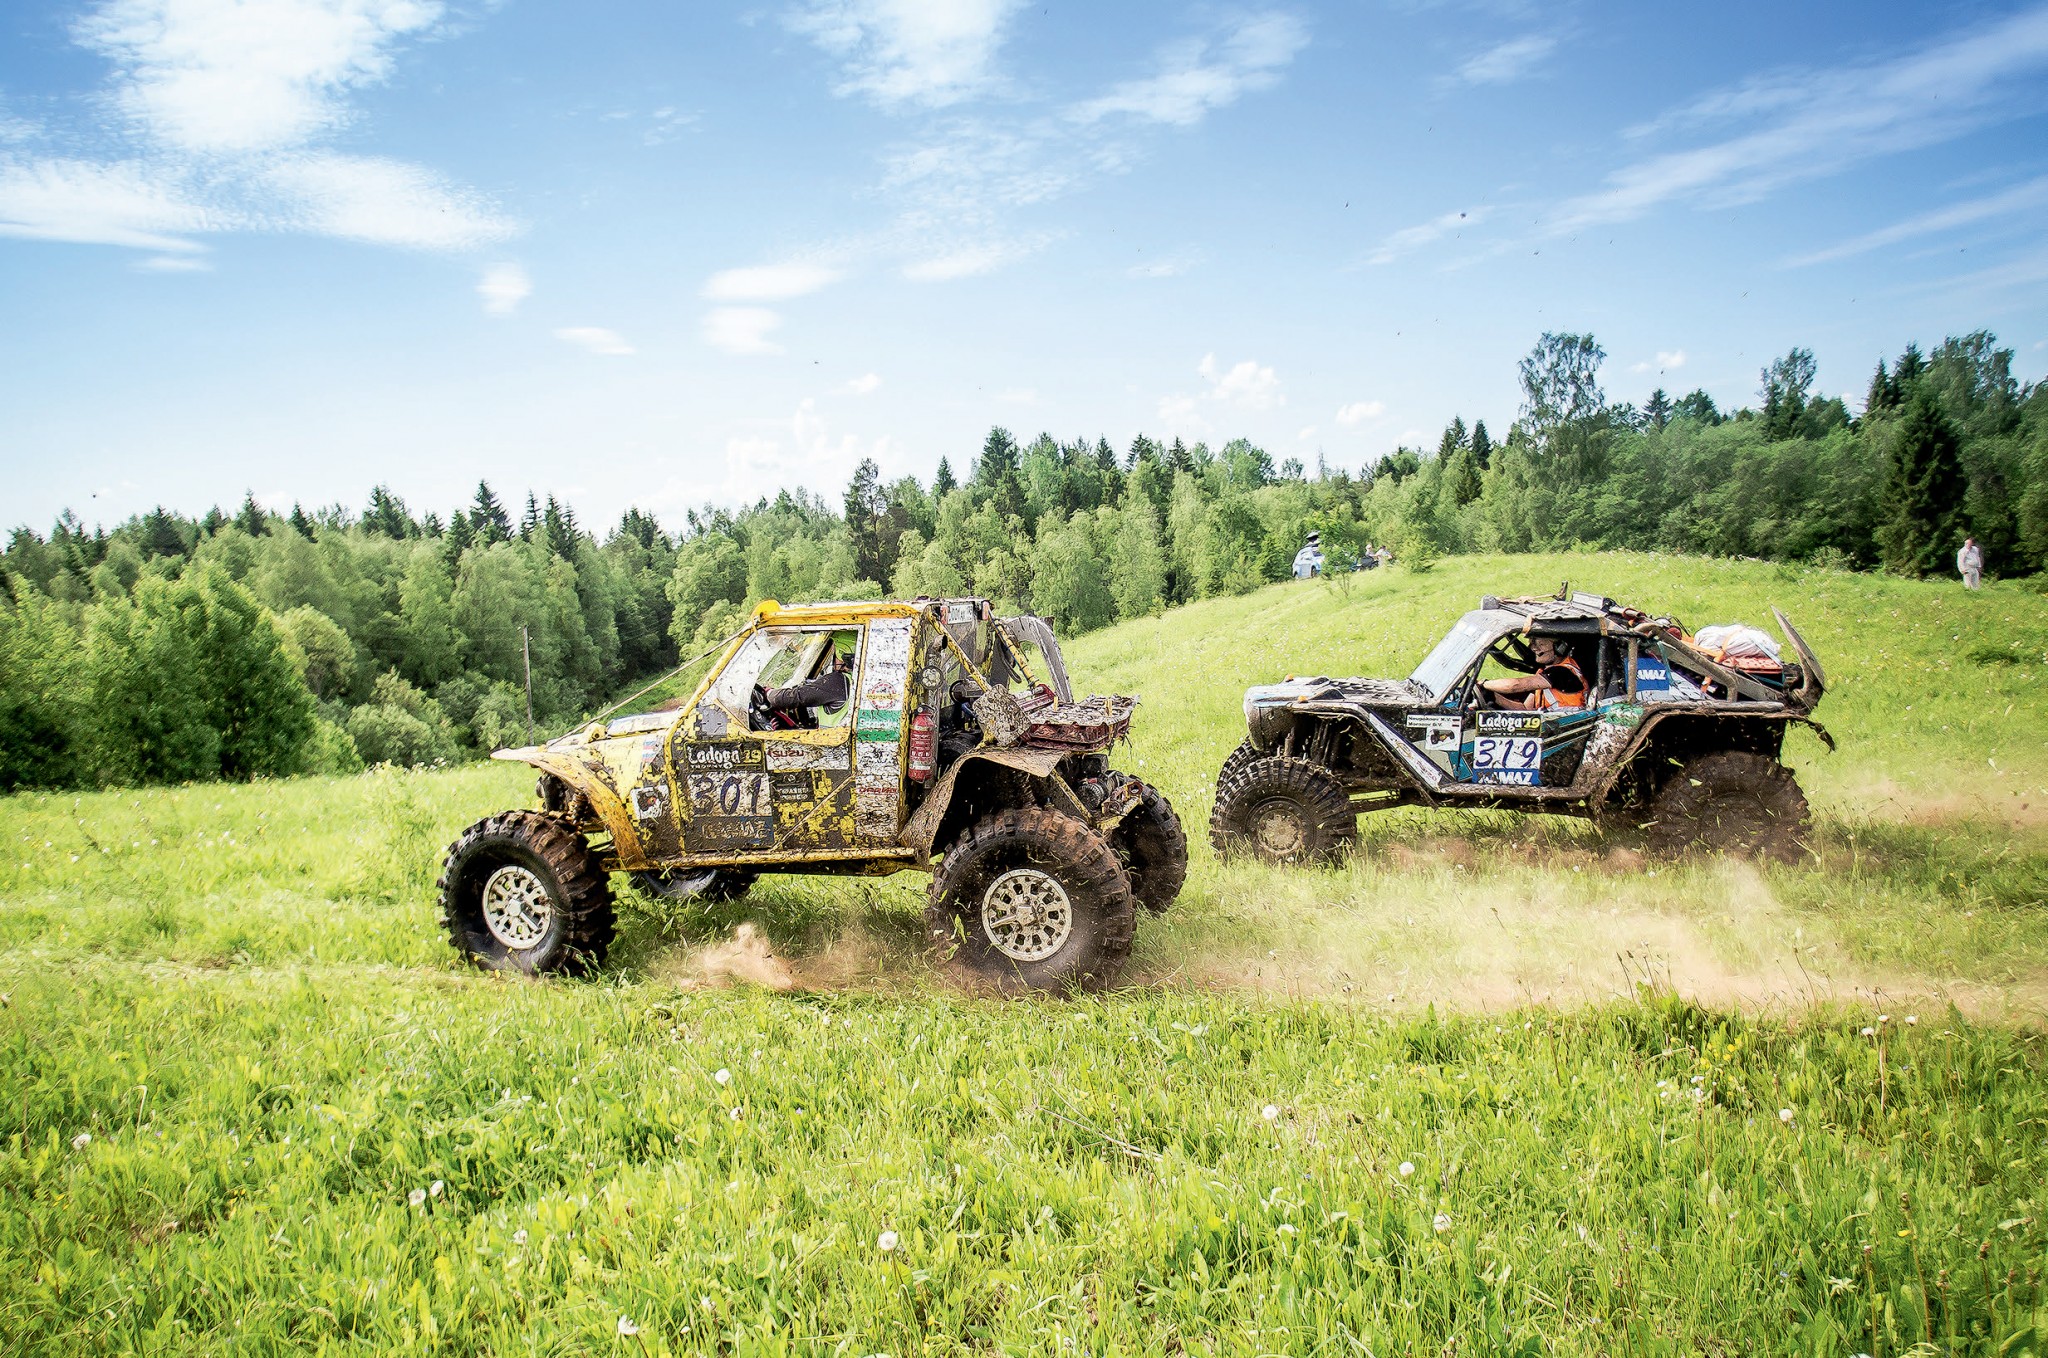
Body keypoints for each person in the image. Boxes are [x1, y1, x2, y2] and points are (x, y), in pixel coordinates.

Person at [762, 633, 855, 722]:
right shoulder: (854, 681)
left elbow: (795, 697)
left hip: (829, 734)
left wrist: (768, 693)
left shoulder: (839, 681)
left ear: (843, 656)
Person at [1482, 635, 1587, 711]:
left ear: (1560, 647)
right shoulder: (1543, 674)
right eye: (1532, 643)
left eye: (1541, 644)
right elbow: (1525, 709)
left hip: (1569, 726)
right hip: (1553, 724)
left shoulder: (1562, 672)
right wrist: (1491, 696)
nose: (1533, 648)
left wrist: (1483, 684)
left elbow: (1515, 685)